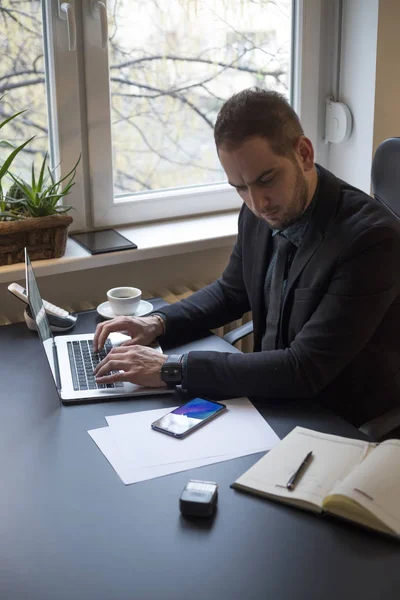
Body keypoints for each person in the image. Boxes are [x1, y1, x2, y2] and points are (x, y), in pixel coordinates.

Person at [93, 88, 400, 428]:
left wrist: (172, 367)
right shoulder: (260, 211)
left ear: (304, 153)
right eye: (239, 187)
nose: (257, 203)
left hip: (334, 418)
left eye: (266, 179)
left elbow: (305, 368)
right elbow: (230, 291)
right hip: (270, 398)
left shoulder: (371, 240)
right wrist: (157, 322)